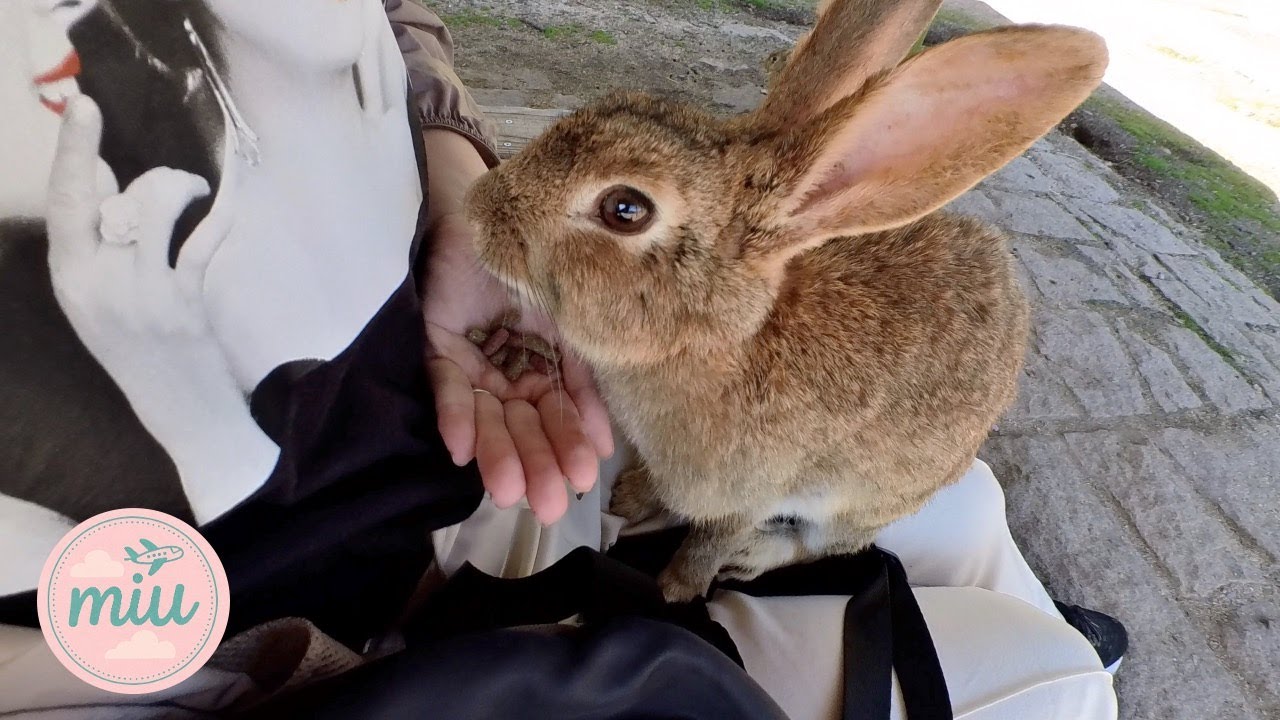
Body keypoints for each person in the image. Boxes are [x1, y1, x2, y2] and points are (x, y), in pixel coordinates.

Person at [0, 1, 1125, 718]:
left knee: (924, 520)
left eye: (622, 209)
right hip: (199, 642)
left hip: (486, 449)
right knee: (1046, 677)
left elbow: (393, 12)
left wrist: (449, 178)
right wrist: (197, 428)